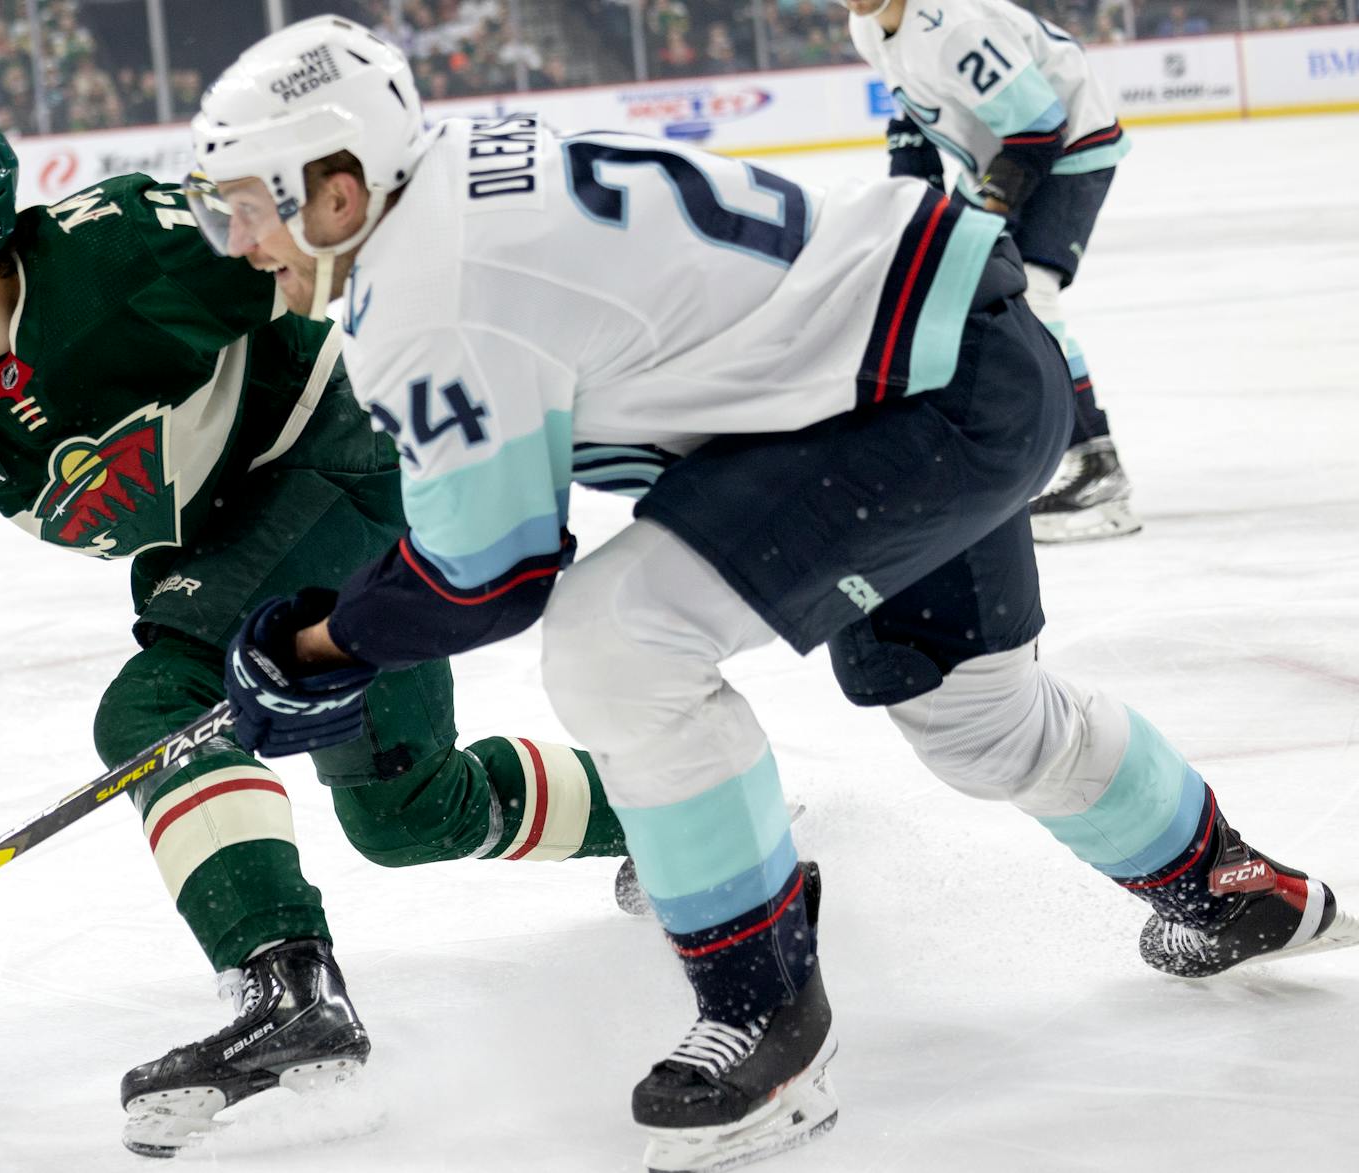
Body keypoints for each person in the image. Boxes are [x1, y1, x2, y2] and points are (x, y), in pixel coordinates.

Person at [187, 17, 1356, 1173]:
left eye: (246, 204)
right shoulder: (460, 182)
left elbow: (489, 578)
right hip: (946, 359)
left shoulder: (426, 292)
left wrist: (320, 644)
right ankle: (1228, 885)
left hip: (906, 404)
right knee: (981, 722)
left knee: (617, 643)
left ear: (339, 190)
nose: (236, 242)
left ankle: (767, 1012)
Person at [0, 106, 631, 1158]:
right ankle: (685, 817)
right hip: (209, 550)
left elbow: (333, 254)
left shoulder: (124, 248)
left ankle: (289, 991)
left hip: (344, 460)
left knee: (161, 706)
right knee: (407, 812)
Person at [848, 0, 1138, 542]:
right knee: (951, 291)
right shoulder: (866, 27)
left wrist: (989, 206)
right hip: (1005, 154)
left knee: (1030, 297)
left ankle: (1097, 465)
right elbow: (914, 115)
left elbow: (1041, 128)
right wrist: (911, 206)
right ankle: (980, 450)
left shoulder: (955, 24)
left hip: (1071, 148)